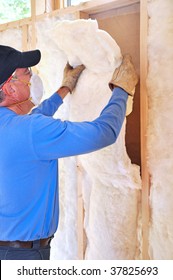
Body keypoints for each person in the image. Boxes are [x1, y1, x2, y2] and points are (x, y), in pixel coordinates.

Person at [0, 45, 138, 260]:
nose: (32, 77)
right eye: (27, 73)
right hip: (22, 256)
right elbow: (103, 133)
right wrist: (121, 89)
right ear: (10, 88)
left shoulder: (15, 127)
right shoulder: (31, 131)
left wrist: (64, 89)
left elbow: (32, 123)